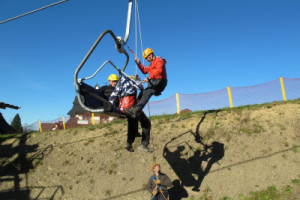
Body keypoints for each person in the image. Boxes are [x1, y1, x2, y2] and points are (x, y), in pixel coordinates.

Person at [109, 75, 152, 153]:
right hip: (131, 107)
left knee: (132, 122)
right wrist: (138, 80)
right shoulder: (130, 81)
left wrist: (114, 109)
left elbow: (112, 97)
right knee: (146, 123)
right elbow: (140, 87)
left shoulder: (119, 85)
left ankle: (129, 143)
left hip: (123, 109)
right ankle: (144, 144)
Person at [123, 48, 167, 119]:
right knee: (143, 92)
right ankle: (134, 108)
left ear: (151, 55)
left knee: (148, 91)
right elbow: (145, 70)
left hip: (160, 81)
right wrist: (139, 63)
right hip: (154, 82)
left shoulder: (159, 60)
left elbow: (159, 70)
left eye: (146, 58)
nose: (146, 60)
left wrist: (149, 77)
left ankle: (136, 110)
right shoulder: (151, 65)